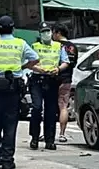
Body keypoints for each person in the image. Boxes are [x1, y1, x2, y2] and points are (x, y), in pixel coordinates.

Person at [0, 16, 40, 169]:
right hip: (13, 90)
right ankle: (7, 160)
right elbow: (35, 59)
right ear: (13, 29)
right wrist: (22, 67)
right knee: (10, 125)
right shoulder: (20, 43)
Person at [29, 22, 69, 151]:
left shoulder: (58, 46)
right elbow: (28, 63)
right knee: (36, 108)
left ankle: (50, 140)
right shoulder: (34, 46)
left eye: (48, 31)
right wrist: (38, 69)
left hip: (52, 80)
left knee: (51, 111)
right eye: (43, 32)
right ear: (40, 33)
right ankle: (34, 138)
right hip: (37, 80)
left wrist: (58, 69)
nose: (46, 34)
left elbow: (65, 62)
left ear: (51, 32)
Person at [53, 23, 77, 144]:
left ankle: (47, 133)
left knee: (50, 106)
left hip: (53, 78)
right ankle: (62, 134)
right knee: (63, 106)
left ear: (58, 33)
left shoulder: (54, 45)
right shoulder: (73, 47)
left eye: (53, 33)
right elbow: (74, 63)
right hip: (67, 79)